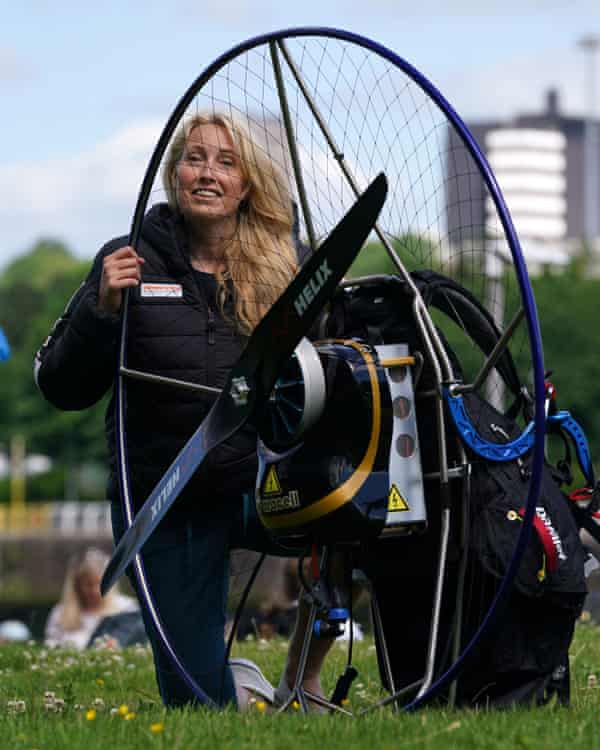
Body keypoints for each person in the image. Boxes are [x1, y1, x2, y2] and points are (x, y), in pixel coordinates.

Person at [34, 112, 336, 710]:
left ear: (247, 184)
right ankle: (240, 685)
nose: (208, 173)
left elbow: (329, 370)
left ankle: (303, 673)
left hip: (260, 486)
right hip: (166, 502)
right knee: (200, 708)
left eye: (227, 163)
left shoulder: (286, 263)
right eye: (194, 159)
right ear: (173, 175)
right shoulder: (126, 259)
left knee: (374, 517)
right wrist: (102, 308)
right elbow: (60, 386)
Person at [44, 547, 138, 650]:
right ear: (76, 584)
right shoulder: (60, 613)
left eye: (99, 583)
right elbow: (50, 645)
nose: (94, 590)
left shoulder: (127, 610)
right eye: (88, 585)